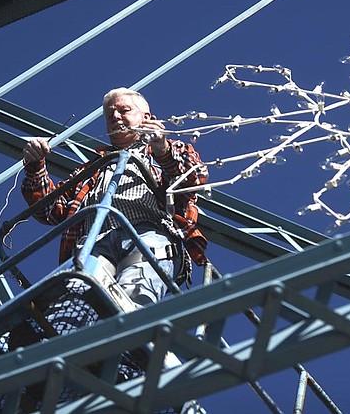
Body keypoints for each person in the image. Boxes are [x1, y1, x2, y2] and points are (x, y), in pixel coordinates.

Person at [21, 87, 209, 307]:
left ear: (147, 118)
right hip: (95, 240)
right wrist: (35, 167)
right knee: (74, 306)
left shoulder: (168, 149)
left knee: (132, 299)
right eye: (110, 115)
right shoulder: (91, 168)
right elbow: (50, 210)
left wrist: (161, 147)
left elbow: (192, 177)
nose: (116, 117)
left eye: (124, 110)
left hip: (149, 235)